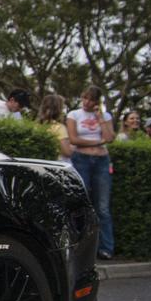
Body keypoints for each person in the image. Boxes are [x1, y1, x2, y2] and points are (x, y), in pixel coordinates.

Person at [66, 85, 115, 259]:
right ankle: (81, 247)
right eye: (84, 98)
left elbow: (109, 137)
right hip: (82, 160)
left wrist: (100, 117)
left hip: (102, 161)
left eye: (91, 100)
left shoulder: (104, 116)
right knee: (82, 201)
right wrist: (97, 142)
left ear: (96, 102)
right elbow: (73, 139)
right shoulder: (74, 115)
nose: (86, 102)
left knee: (102, 207)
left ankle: (106, 247)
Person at [36, 93, 72, 162]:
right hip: (56, 163)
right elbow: (66, 152)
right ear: (58, 110)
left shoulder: (36, 126)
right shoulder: (59, 128)